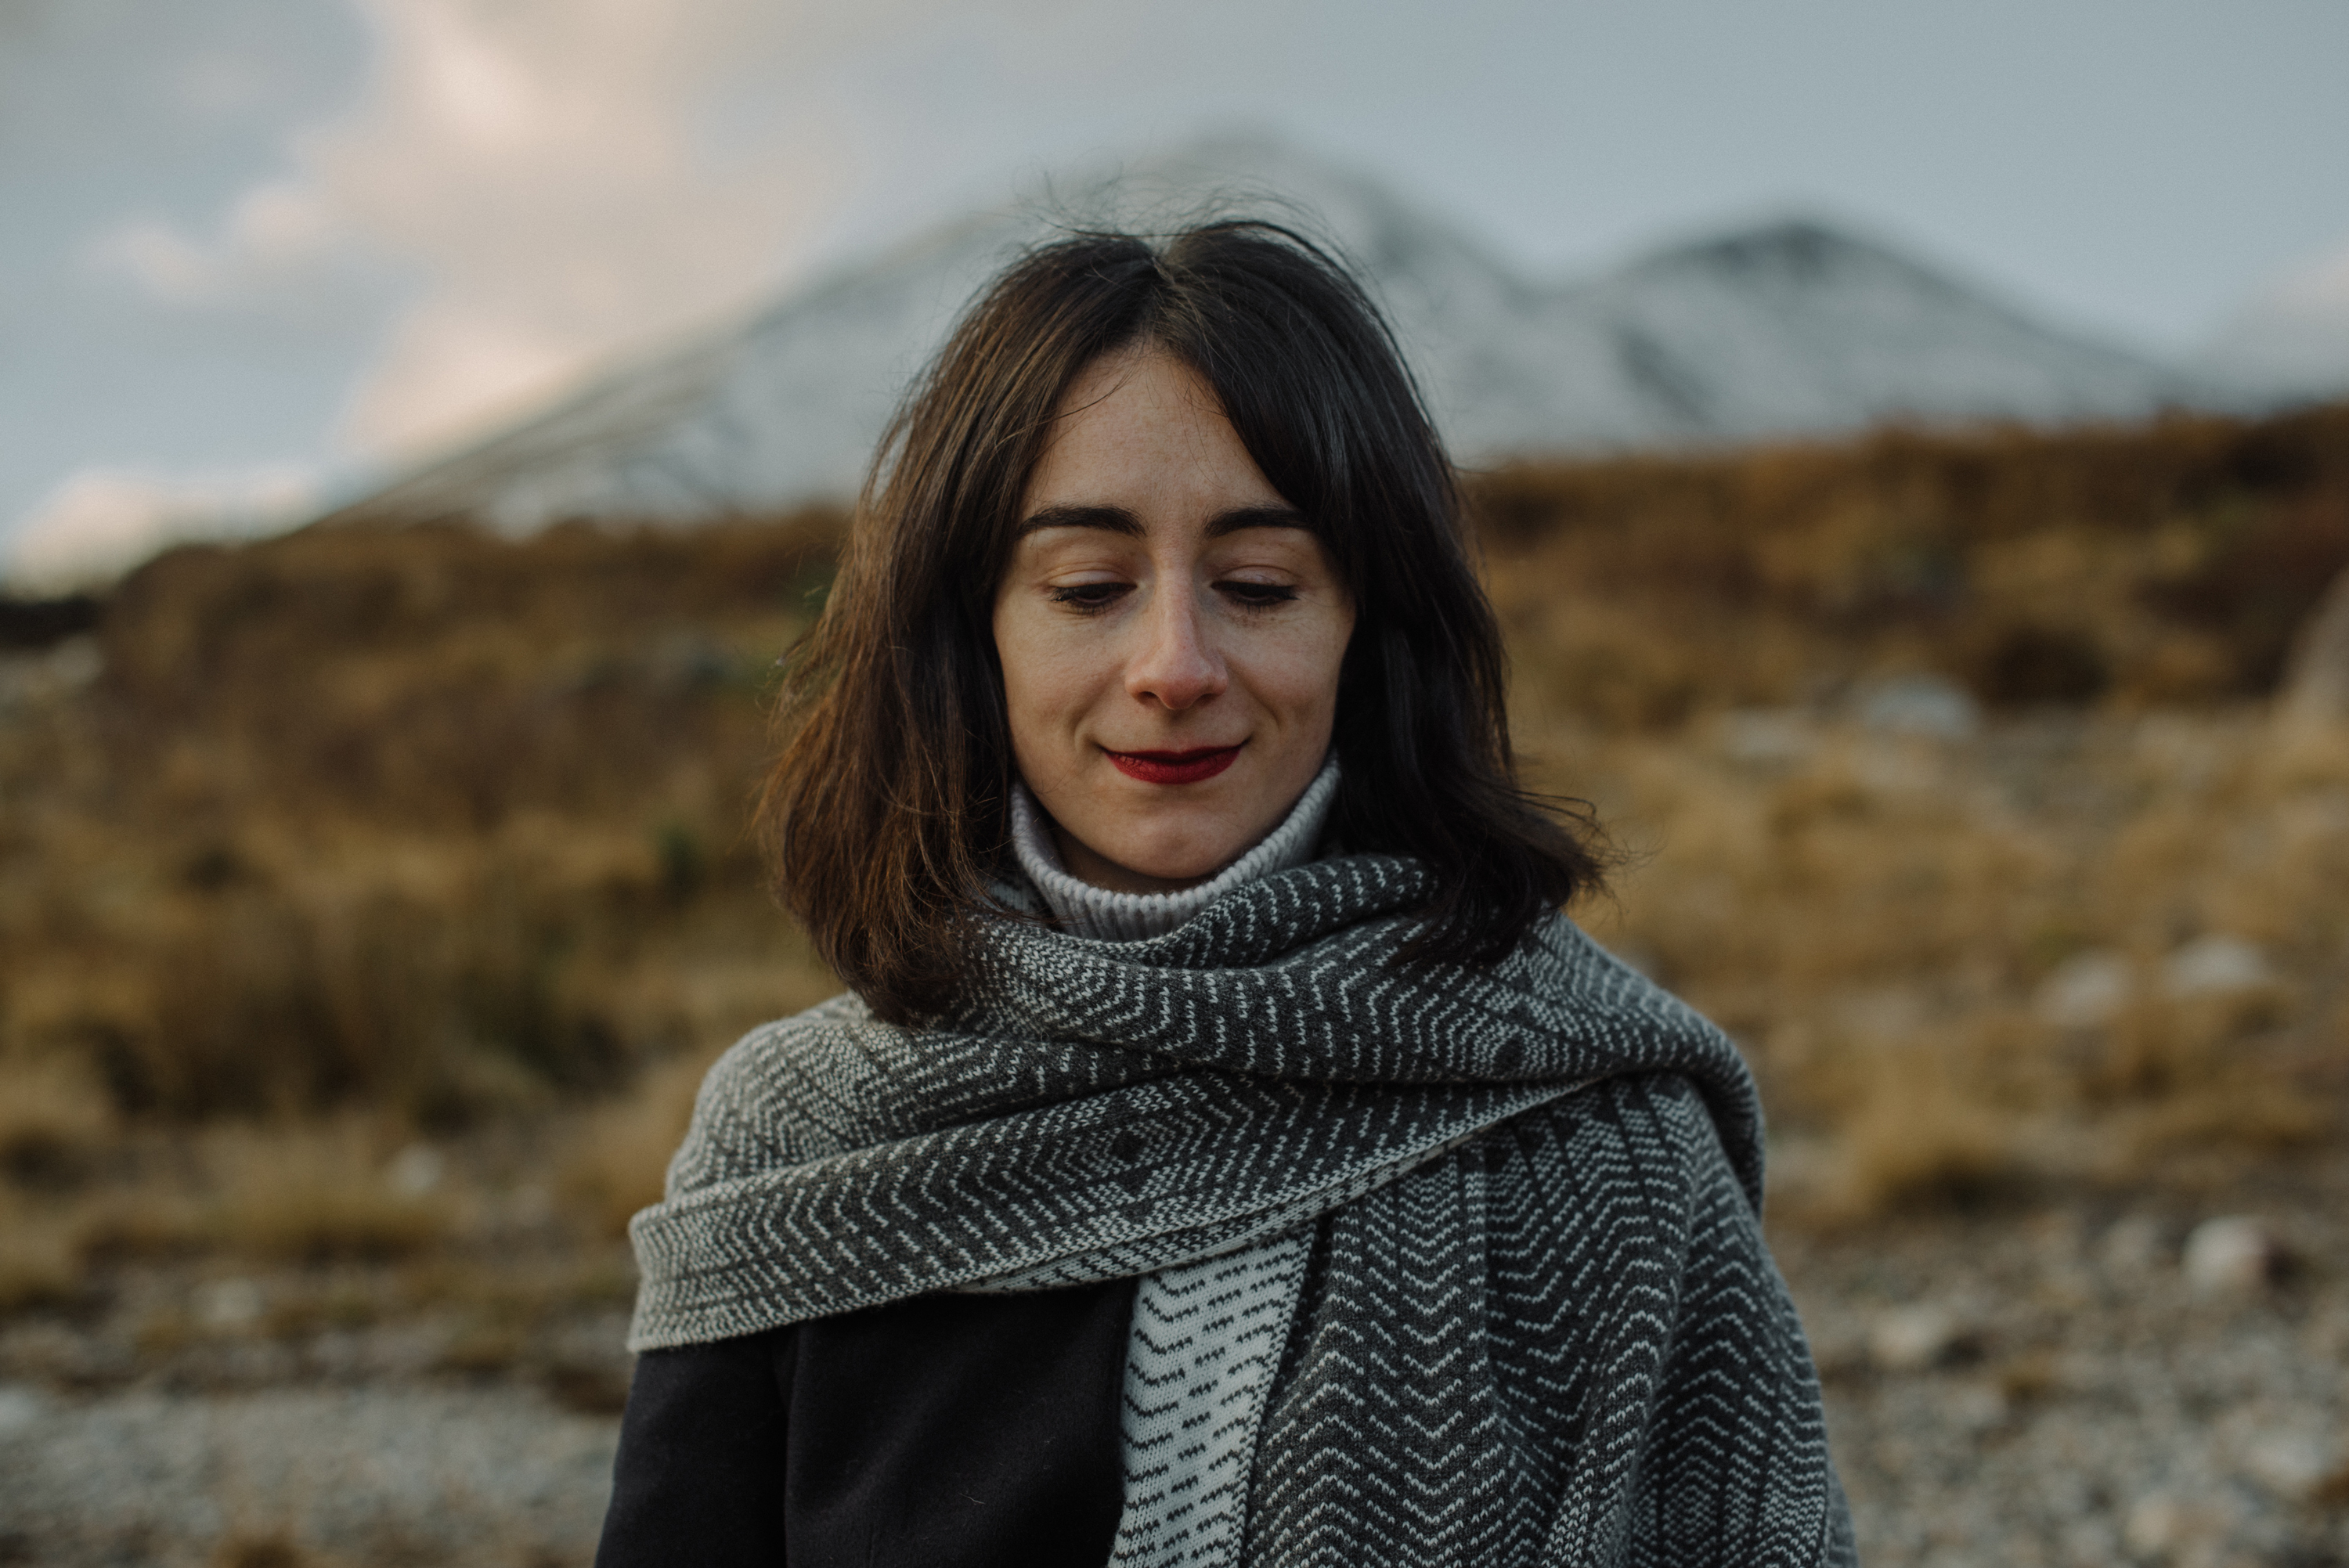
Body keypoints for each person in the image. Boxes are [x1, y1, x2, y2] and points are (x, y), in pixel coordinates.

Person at [596, 220, 1856, 1567]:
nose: (1174, 664)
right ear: (976, 633)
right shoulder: (799, 1144)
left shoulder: (1608, 1145)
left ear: (1366, 623)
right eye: (1086, 588)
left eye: (1258, 585)